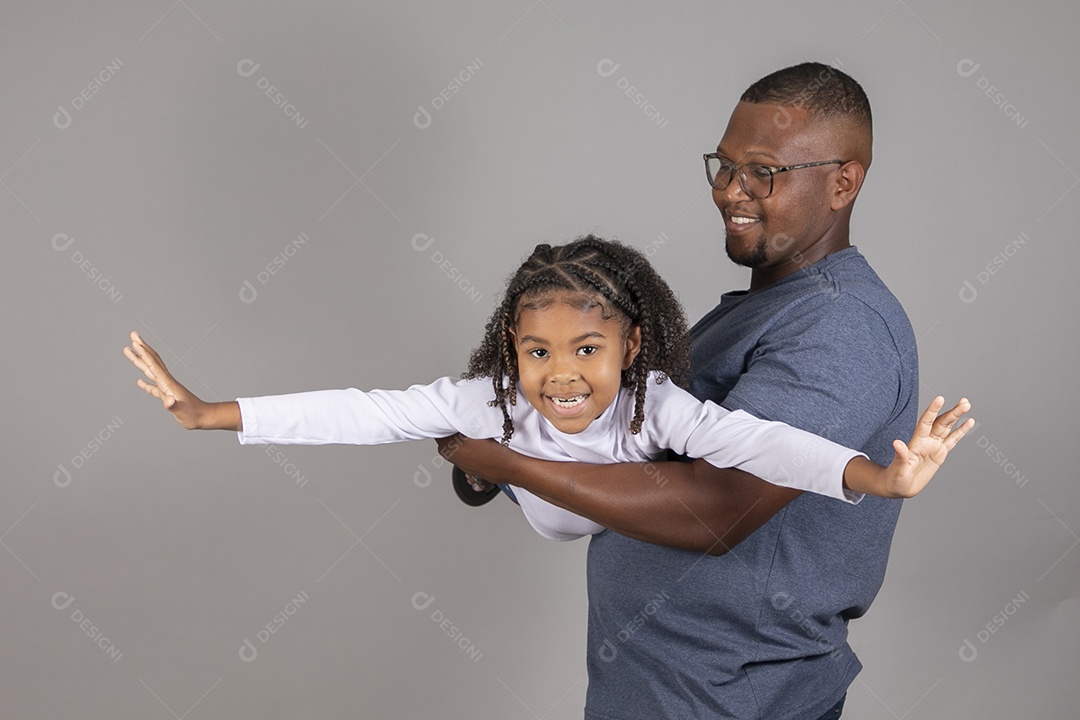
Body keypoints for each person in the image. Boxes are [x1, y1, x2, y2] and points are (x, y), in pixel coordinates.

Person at [437, 63, 932, 719]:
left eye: (763, 172)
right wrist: (494, 459)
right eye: (723, 166)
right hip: (660, 692)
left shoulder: (841, 327)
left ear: (843, 182)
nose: (731, 191)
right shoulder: (750, 315)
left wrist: (505, 461)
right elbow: (630, 459)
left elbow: (717, 506)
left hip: (732, 701)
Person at [124, 236, 969, 546]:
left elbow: (764, 444)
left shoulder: (654, 402)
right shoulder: (492, 400)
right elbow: (362, 410)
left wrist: (877, 477)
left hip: (586, 482)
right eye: (537, 351)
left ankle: (484, 470)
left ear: (633, 348)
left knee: (704, 436)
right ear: (510, 350)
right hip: (529, 492)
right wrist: (208, 414)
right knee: (457, 436)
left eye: (589, 350)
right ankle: (478, 474)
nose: (561, 374)